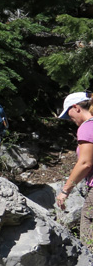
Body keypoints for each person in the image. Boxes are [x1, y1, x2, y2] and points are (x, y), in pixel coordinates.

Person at [56, 91, 93, 247]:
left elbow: (85, 163)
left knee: (88, 237)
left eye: (69, 114)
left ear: (76, 107)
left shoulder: (87, 126)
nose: (69, 119)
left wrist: (65, 190)